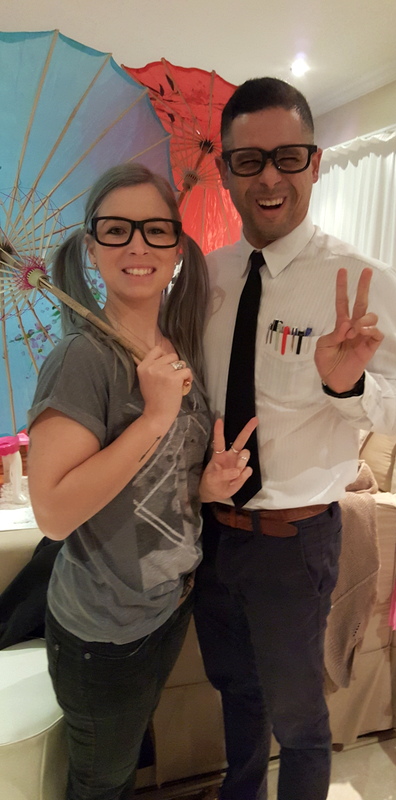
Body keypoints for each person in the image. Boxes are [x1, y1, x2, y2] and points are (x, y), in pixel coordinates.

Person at [193, 78, 396, 800]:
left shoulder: (361, 280)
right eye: (249, 160)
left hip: (293, 546)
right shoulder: (207, 276)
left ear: (315, 164)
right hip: (212, 533)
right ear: (225, 171)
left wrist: (348, 387)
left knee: (298, 721)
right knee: (235, 692)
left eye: (288, 157)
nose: (269, 177)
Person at [27, 163, 256, 800]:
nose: (137, 244)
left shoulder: (177, 347)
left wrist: (207, 486)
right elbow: (52, 514)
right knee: (102, 784)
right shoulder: (82, 359)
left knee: (124, 768)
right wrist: (154, 417)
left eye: (156, 229)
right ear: (92, 245)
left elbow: (165, 479)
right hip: (103, 630)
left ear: (177, 248)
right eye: (117, 229)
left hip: (167, 608)